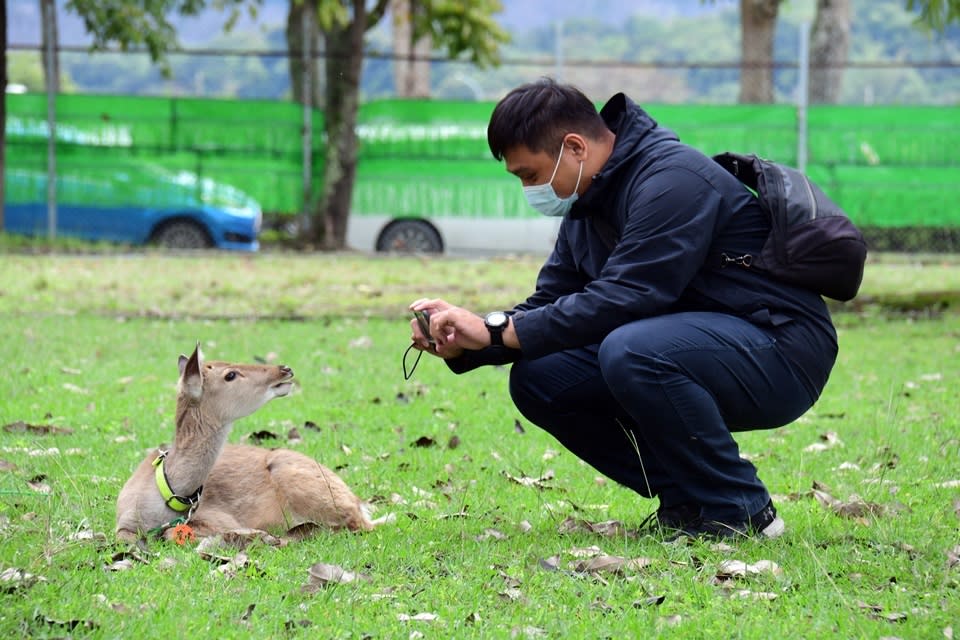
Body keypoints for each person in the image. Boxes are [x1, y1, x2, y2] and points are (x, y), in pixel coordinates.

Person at [408, 78, 838, 540]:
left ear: (573, 147)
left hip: (781, 351)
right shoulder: (587, 205)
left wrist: (496, 331)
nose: (528, 189)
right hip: (689, 349)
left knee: (631, 348)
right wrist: (465, 344)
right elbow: (548, 305)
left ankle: (741, 509)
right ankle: (689, 499)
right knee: (541, 378)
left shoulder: (674, 181)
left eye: (529, 175)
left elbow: (627, 297)